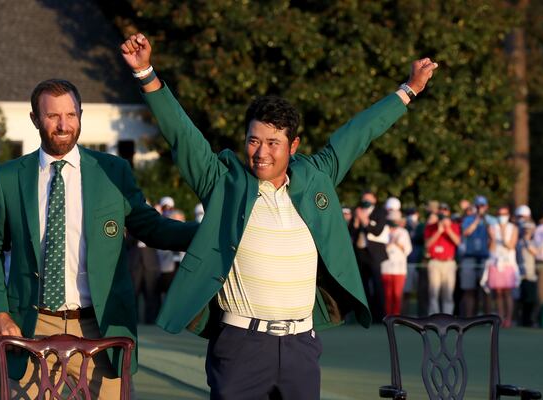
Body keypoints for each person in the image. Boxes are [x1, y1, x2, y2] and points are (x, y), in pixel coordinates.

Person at [121, 33, 437, 399]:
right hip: (240, 346)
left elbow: (359, 133)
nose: (261, 152)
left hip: (302, 345)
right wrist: (145, 72)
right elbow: (182, 134)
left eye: (273, 143)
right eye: (253, 140)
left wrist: (409, 89)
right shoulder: (222, 181)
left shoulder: (317, 176)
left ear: (294, 146)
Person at [0, 79, 198, 399]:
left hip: (101, 326)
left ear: (80, 114)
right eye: (53, 116)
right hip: (35, 324)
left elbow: (151, 227)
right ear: (35, 119)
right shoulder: (10, 177)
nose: (64, 125)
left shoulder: (113, 171)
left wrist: (208, 234)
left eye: (71, 114)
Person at [351, 191, 389, 323]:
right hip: (361, 253)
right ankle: (365, 316)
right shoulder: (358, 210)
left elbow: (377, 230)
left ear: (374, 199)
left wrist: (365, 221)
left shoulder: (380, 212)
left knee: (378, 285)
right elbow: (352, 232)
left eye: (368, 198)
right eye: (364, 198)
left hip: (375, 254)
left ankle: (380, 316)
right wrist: (356, 221)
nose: (365, 200)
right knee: (363, 286)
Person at [459, 195, 495, 317]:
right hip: (470, 256)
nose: (480, 208)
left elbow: (494, 239)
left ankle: (488, 318)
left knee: (486, 290)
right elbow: (466, 232)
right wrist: (477, 220)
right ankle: (469, 318)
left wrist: (486, 224)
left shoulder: (491, 220)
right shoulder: (468, 219)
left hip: (485, 257)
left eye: (482, 206)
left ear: (487, 207)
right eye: (478, 206)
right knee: (469, 289)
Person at [483, 206, 519, 328]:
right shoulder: (492, 228)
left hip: (508, 263)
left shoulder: (513, 228)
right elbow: (491, 249)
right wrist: (493, 238)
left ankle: (509, 318)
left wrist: (503, 235)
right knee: (498, 292)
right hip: (495, 263)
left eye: (504, 214)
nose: (502, 216)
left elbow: (511, 246)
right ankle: (501, 317)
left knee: (508, 292)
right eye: (499, 214)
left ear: (508, 215)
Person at [424, 203, 461, 315]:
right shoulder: (430, 226)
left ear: (448, 212)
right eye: (441, 210)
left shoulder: (454, 226)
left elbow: (458, 242)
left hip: (449, 263)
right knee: (433, 292)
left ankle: (447, 318)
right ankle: (434, 317)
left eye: (445, 210)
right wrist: (439, 231)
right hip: (435, 262)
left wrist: (448, 229)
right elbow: (427, 245)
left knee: (448, 293)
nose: (443, 212)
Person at [381, 211, 412, 315]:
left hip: (400, 269)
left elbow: (408, 250)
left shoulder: (403, 232)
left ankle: (396, 317)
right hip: (386, 268)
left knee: (397, 294)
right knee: (388, 295)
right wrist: (390, 241)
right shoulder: (384, 231)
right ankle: (388, 316)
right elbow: (381, 249)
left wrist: (397, 243)